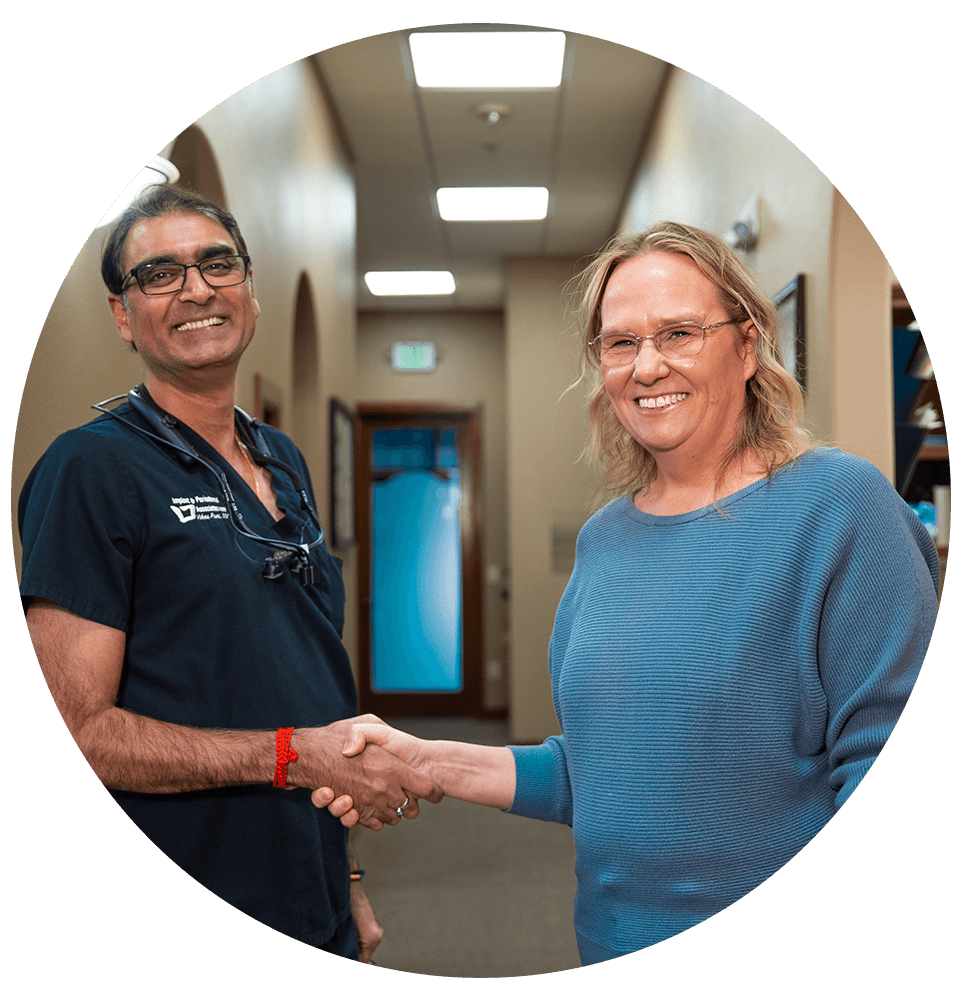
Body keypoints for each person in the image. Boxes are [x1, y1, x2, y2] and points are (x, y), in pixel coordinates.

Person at [312, 222, 940, 965]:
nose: (646, 366)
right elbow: (604, 771)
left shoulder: (840, 506)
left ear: (746, 346)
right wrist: (426, 761)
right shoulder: (606, 538)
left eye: (678, 333)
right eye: (619, 343)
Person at [19, 183, 440, 961]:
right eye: (159, 274)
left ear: (249, 290)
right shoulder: (90, 469)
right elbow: (81, 733)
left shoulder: (282, 458)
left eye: (218, 264)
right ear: (122, 315)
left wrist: (345, 878)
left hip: (308, 885)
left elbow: (307, 678)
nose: (196, 289)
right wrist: (288, 756)